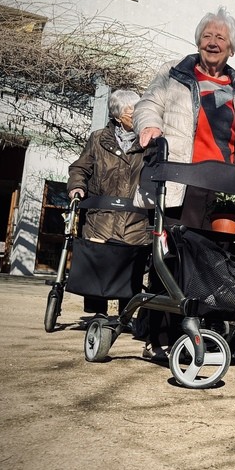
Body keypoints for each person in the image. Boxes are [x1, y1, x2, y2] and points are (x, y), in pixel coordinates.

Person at [133, 7, 235, 360]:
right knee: (174, 258)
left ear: (232, 49)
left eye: (220, 38)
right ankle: (160, 336)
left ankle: (203, 333)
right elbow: (147, 105)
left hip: (225, 186)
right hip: (182, 180)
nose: (212, 42)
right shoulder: (173, 76)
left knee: (213, 264)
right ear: (198, 41)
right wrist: (149, 126)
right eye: (207, 36)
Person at [66, 89, 150, 317]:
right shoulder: (98, 138)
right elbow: (80, 168)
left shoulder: (149, 143)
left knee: (130, 266)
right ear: (117, 115)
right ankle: (98, 316)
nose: (137, 116)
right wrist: (76, 186)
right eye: (132, 112)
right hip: (100, 215)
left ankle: (126, 315)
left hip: (135, 217)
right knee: (98, 265)